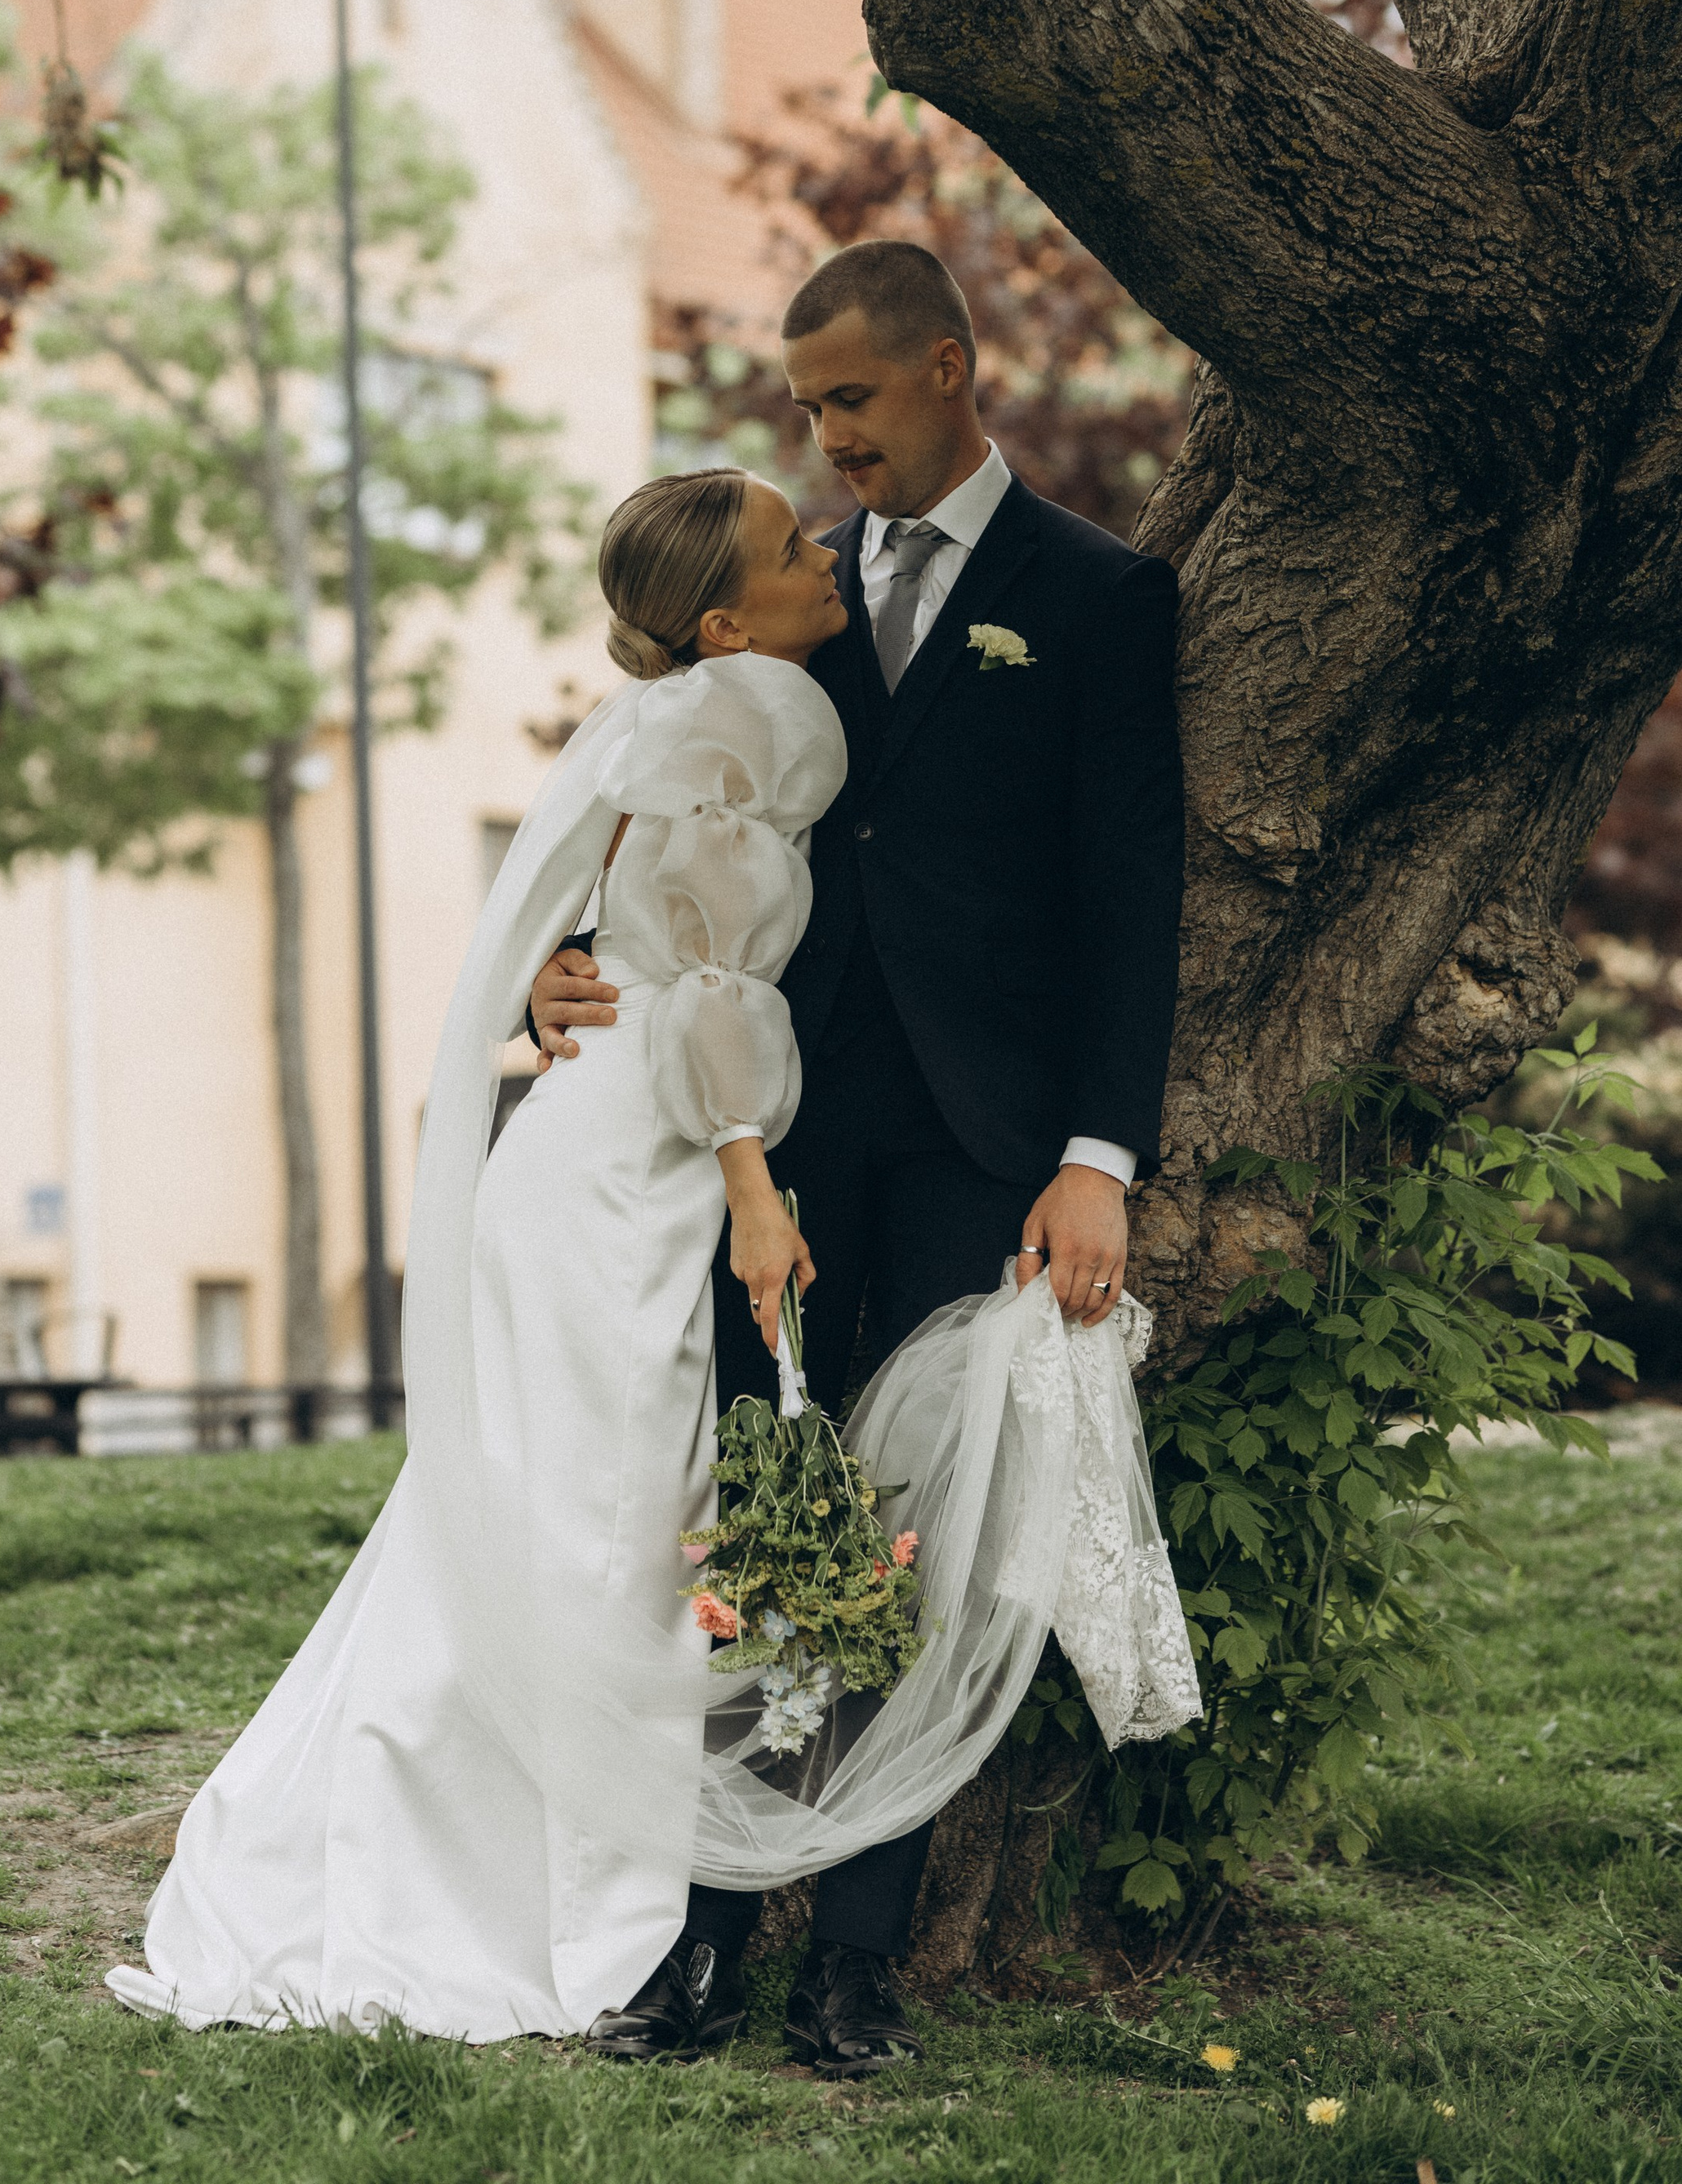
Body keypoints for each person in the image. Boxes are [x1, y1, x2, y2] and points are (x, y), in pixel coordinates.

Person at [108, 442, 1194, 2053]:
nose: (817, 532)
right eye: (782, 537)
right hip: (680, 1162)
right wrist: (746, 1176)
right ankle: (604, 1918)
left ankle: (731, 1927)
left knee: (605, 1526)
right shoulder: (753, 702)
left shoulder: (837, 658)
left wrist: (570, 964)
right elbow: (696, 977)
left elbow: (655, 906)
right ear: (713, 621)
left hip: (713, 1151)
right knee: (629, 1535)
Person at [535, 241, 1186, 2073]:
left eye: (852, 402)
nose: (825, 444)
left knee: (908, 1548)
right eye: (806, 409)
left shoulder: (1095, 594)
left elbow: (1131, 893)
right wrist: (570, 961)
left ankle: (857, 1967)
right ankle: (699, 1944)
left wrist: (1095, 1153)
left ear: (951, 369)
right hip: (775, 1136)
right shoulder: (784, 595)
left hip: (981, 1145)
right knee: (751, 1517)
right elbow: (672, 823)